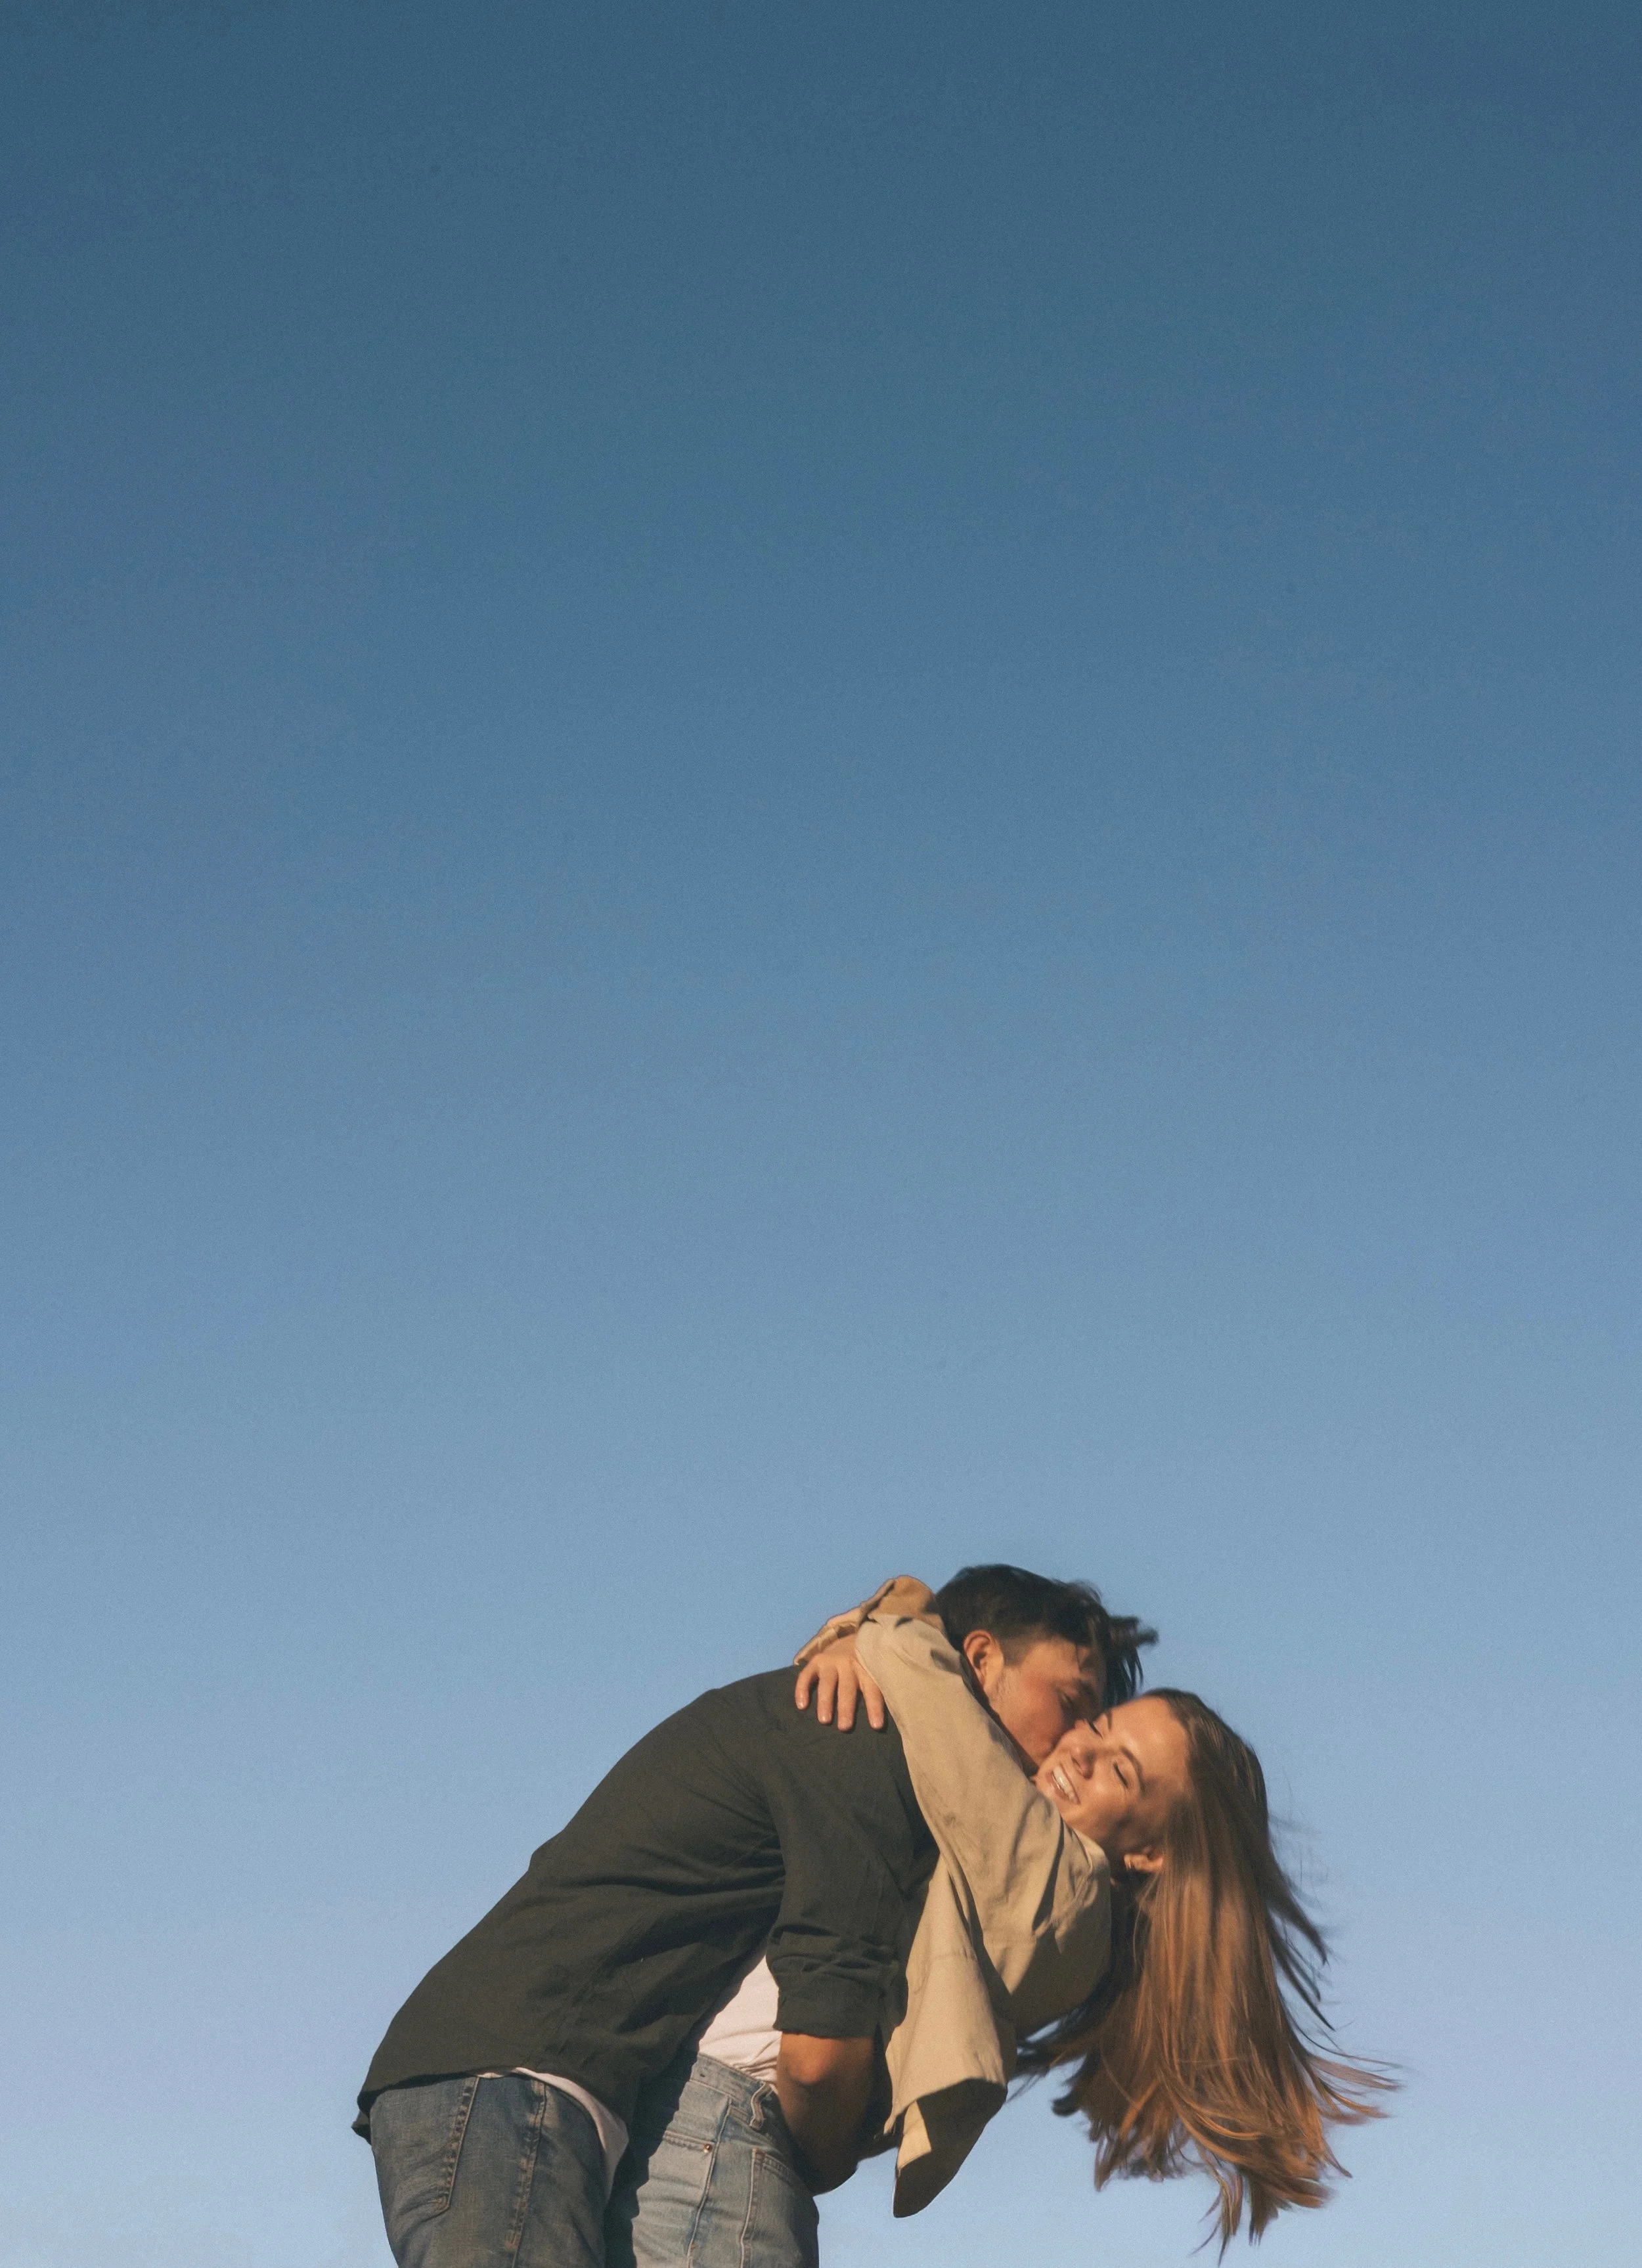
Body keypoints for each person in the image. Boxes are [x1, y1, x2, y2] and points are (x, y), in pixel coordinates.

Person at [357, 1564, 1146, 2268]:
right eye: (1070, 1703)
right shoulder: (863, 1736)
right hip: (513, 2085)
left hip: (528, 2087)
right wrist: (819, 2156)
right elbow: (818, 2051)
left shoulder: (871, 1720)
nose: (1069, 1741)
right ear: (978, 1659)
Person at [797, 1579, 1392, 2250]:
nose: (1079, 1748)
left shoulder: (1059, 1884)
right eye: (1097, 1725)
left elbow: (917, 1679)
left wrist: (876, 1628)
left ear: (1151, 1854)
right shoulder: (1013, 1854)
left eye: (1121, 1772)